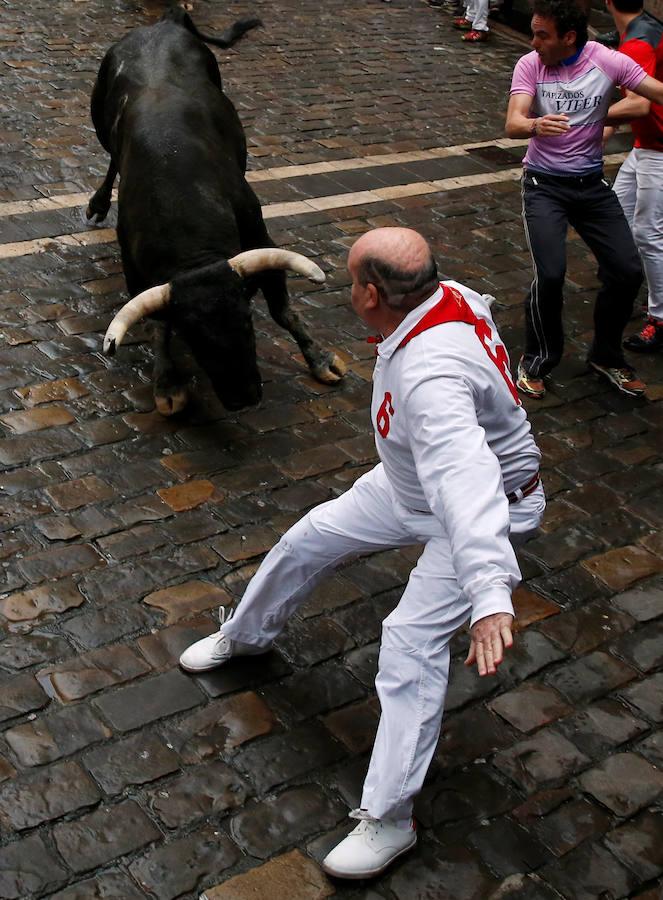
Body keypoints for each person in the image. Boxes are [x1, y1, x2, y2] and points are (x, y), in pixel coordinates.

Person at [179, 227, 545, 880]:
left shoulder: (429, 380)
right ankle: (247, 636)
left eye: (351, 281)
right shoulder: (449, 294)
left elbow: (466, 482)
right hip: (406, 487)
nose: (348, 292)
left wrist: (489, 593)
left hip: (478, 512)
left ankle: (390, 819)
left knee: (407, 642)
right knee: (308, 539)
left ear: (372, 294)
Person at [505, 0, 663, 398]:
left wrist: (600, 115)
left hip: (590, 185)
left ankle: (606, 356)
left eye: (542, 34)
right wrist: (536, 125)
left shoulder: (605, 60)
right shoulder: (530, 65)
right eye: (533, 31)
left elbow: (651, 93)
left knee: (627, 270)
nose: (533, 41)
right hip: (544, 186)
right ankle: (538, 358)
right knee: (552, 274)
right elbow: (513, 122)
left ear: (569, 37)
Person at [605, 0, 663, 352]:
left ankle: (660, 317)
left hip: (658, 148)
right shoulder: (647, 27)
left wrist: (586, 117)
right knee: (617, 210)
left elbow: (638, 103)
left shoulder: (637, 43)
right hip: (646, 144)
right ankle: (625, 280)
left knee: (647, 230)